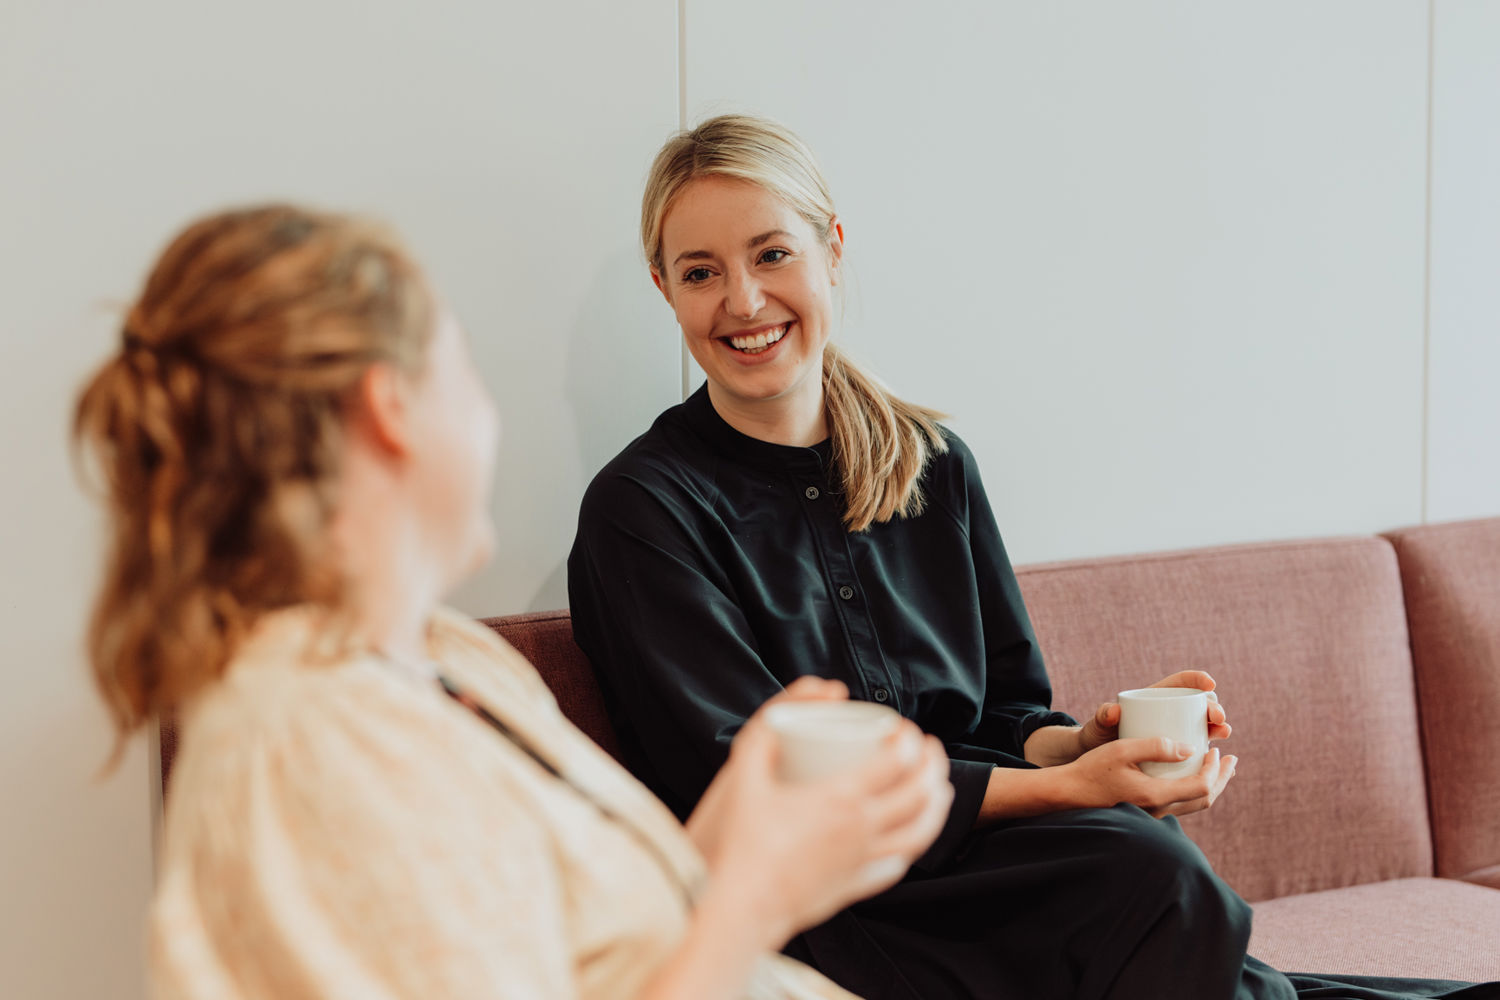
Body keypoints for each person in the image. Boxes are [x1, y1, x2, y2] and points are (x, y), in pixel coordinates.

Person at [567, 115, 1497, 1000]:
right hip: (820, 902)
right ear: (665, 289)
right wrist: (1064, 789)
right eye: (701, 272)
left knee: (1144, 865)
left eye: (773, 253)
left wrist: (1088, 748)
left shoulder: (931, 464)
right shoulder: (642, 510)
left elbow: (1004, 713)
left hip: (982, 859)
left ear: (833, 248)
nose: (744, 301)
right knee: (1147, 874)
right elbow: (747, 785)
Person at [73, 204, 955, 1000]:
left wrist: (732, 830)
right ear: (391, 410)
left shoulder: (452, 662)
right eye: (465, 375)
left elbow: (591, 952)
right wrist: (758, 896)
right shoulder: (304, 748)